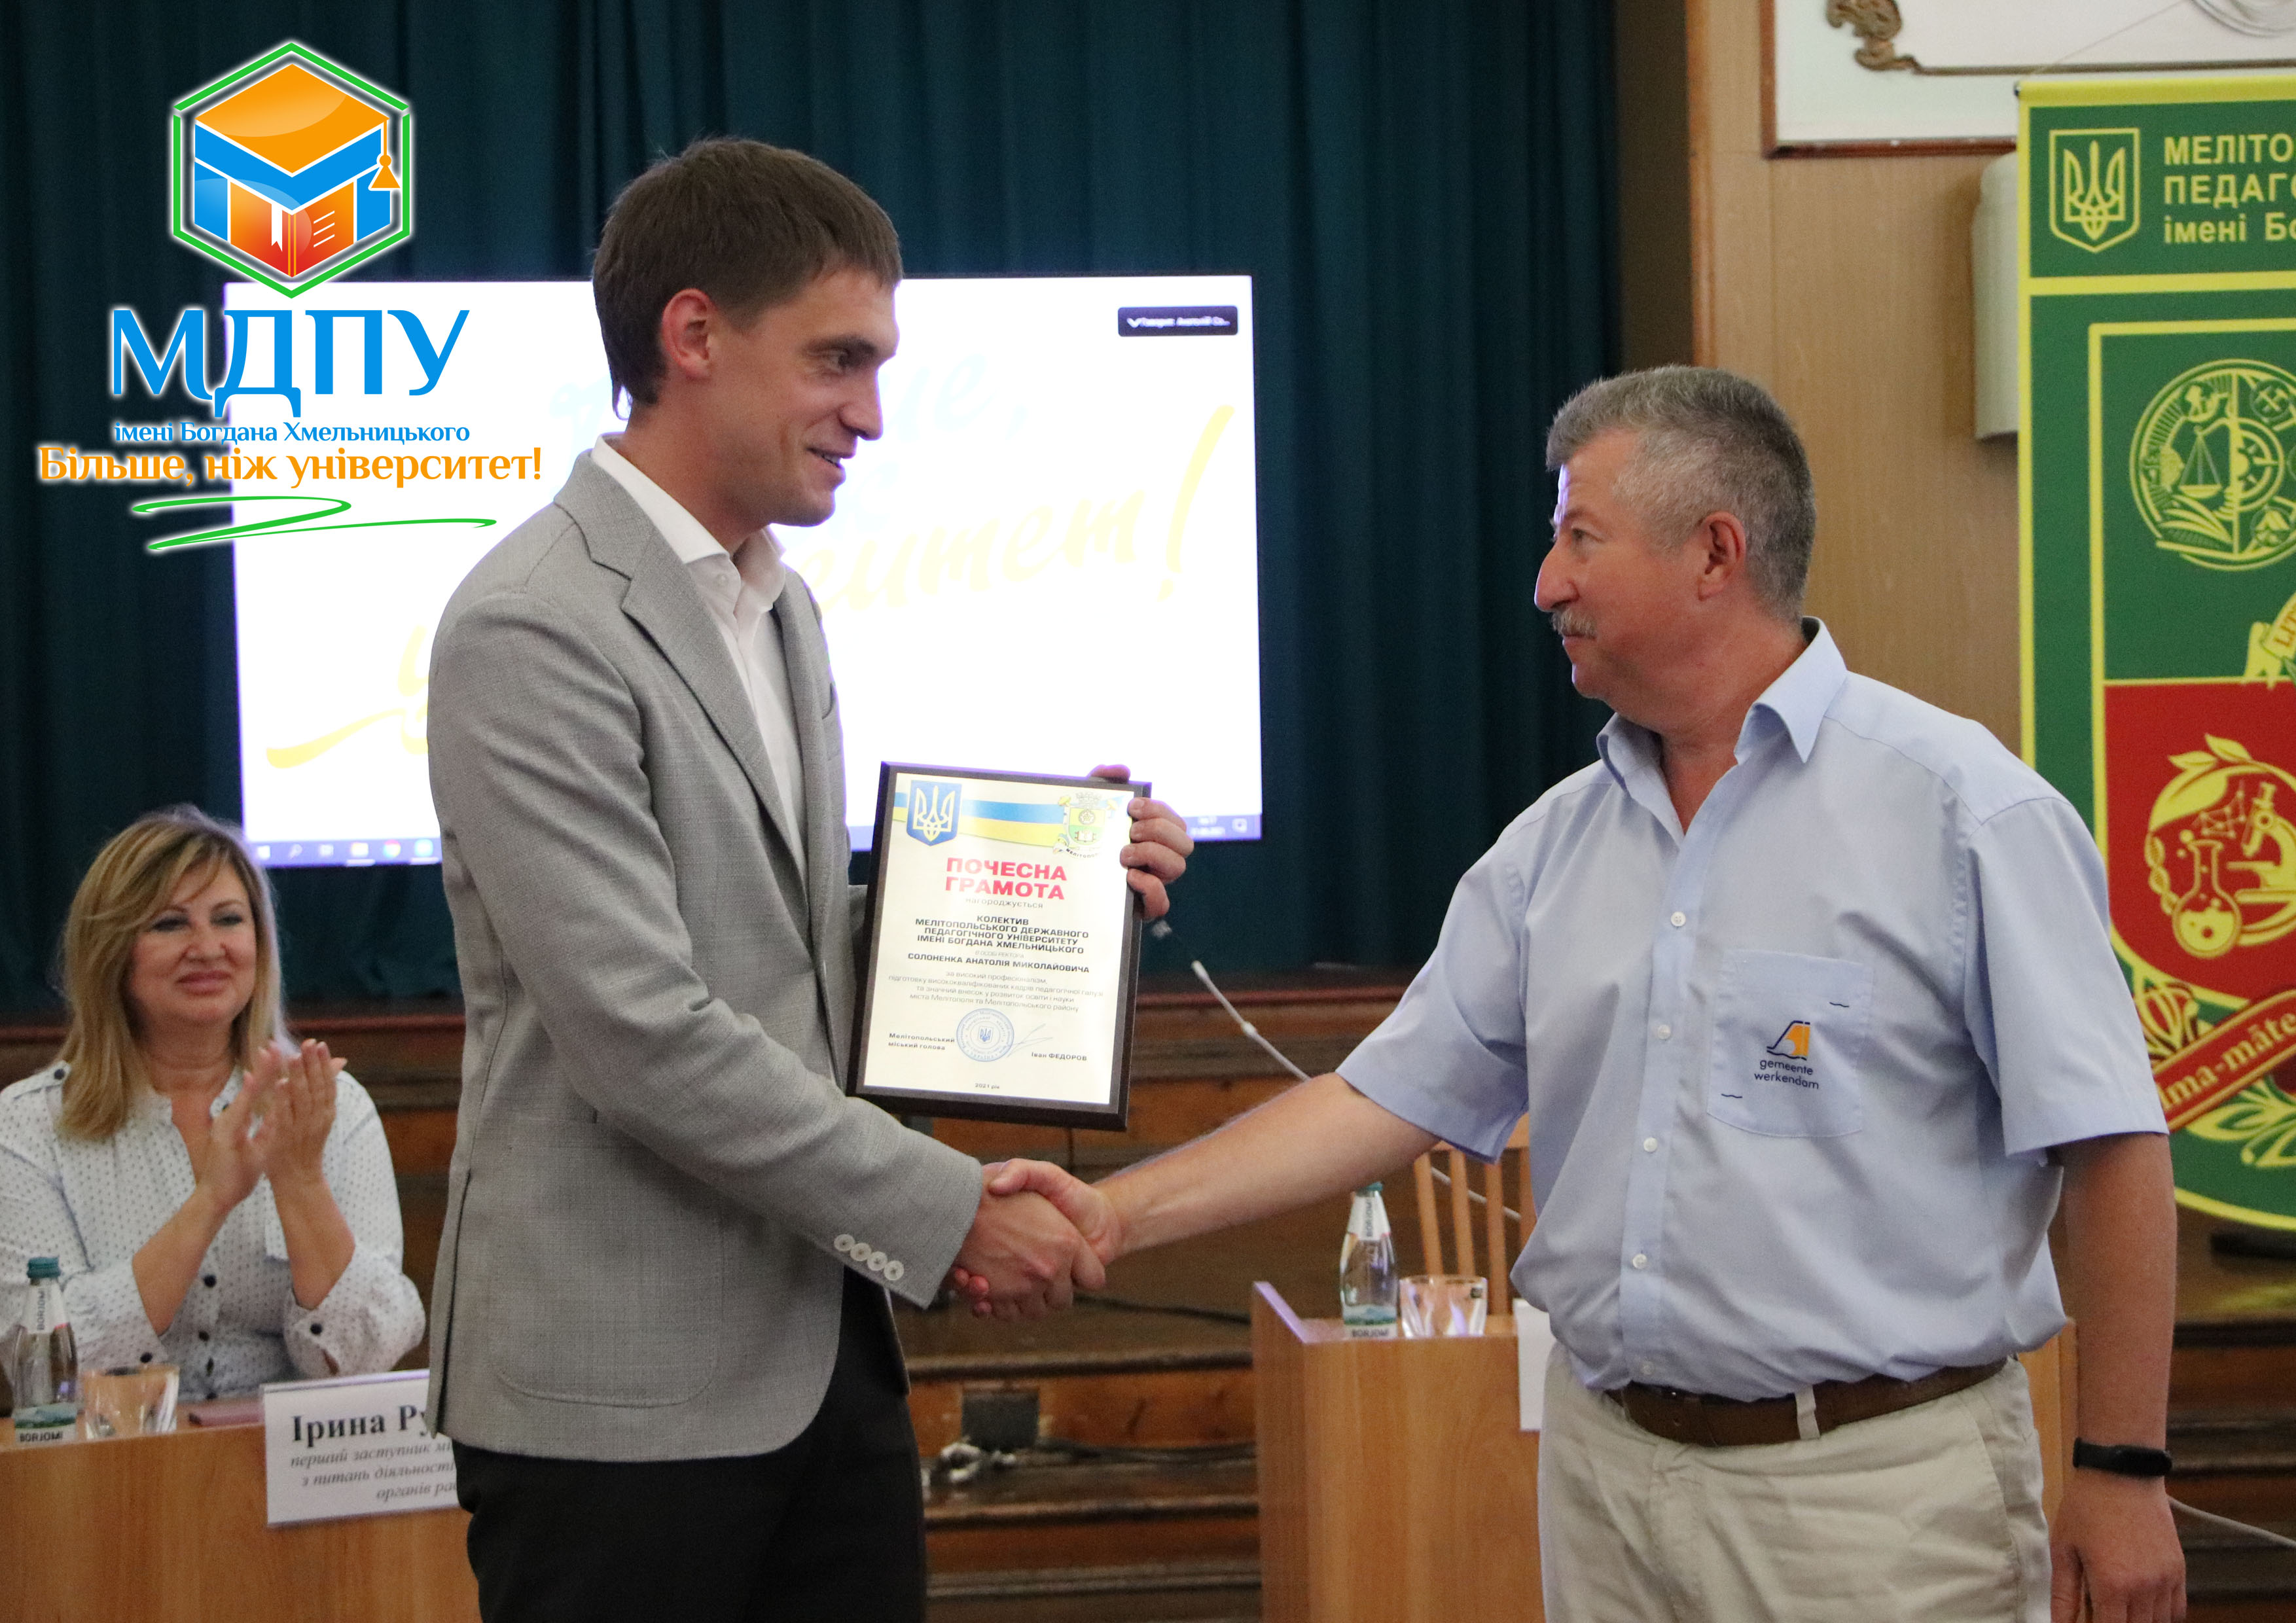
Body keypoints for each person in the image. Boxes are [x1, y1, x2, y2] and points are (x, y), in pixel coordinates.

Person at [982, 368, 2186, 1623]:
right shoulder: (1550, 847)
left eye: (1578, 538)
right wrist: (1109, 1215)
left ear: (1713, 552)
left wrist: (2122, 1468)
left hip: (1873, 1503)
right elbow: (1381, 1100)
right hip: (1606, 1481)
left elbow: (2110, 1147)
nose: (1544, 584)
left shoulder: (1962, 812)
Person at [423, 137, 1191, 1623]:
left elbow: (781, 948)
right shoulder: (532, 624)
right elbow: (641, 1031)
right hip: (621, 1408)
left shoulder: (779, 608)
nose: (874, 415)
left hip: (821, 1364)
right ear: (693, 335)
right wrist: (951, 1211)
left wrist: (1051, 885)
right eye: (840, 360)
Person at [0, 807, 424, 1400]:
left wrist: (300, 1179)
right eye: (170, 924)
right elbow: (48, 1364)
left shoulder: (332, 1106)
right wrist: (210, 1202)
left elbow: (365, 1358)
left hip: (291, 1450)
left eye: (228, 919)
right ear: (112, 951)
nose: (207, 948)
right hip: (115, 1446)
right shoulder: (29, 1124)